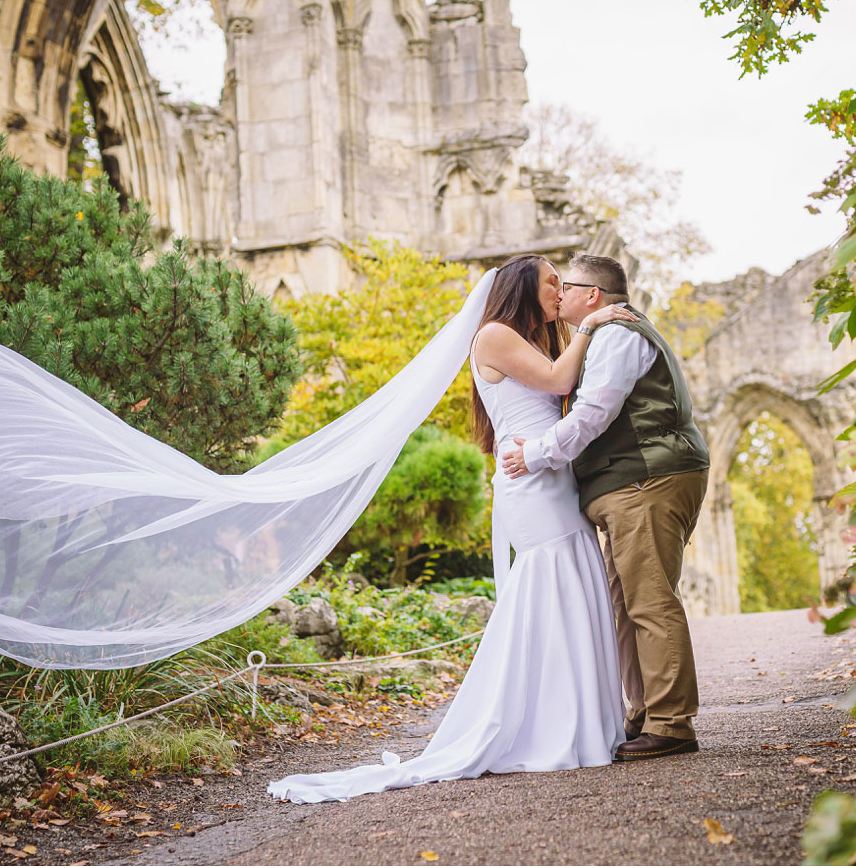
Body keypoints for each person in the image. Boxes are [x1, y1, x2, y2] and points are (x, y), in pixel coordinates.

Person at [267, 254, 639, 803]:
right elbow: (561, 381)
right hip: (530, 483)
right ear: (521, 289)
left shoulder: (538, 341)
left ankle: (583, 721)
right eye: (551, 282)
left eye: (564, 282)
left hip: (550, 474)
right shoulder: (494, 335)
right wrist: (593, 321)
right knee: (552, 583)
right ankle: (554, 728)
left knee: (574, 582)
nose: (561, 290)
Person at [500, 253, 710, 762]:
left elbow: (594, 413)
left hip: (648, 478)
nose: (559, 295)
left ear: (591, 295)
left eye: (564, 286)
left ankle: (671, 722)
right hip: (630, 483)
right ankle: (642, 713)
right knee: (625, 605)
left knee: (649, 599)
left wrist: (534, 455)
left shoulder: (618, 335)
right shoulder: (598, 336)